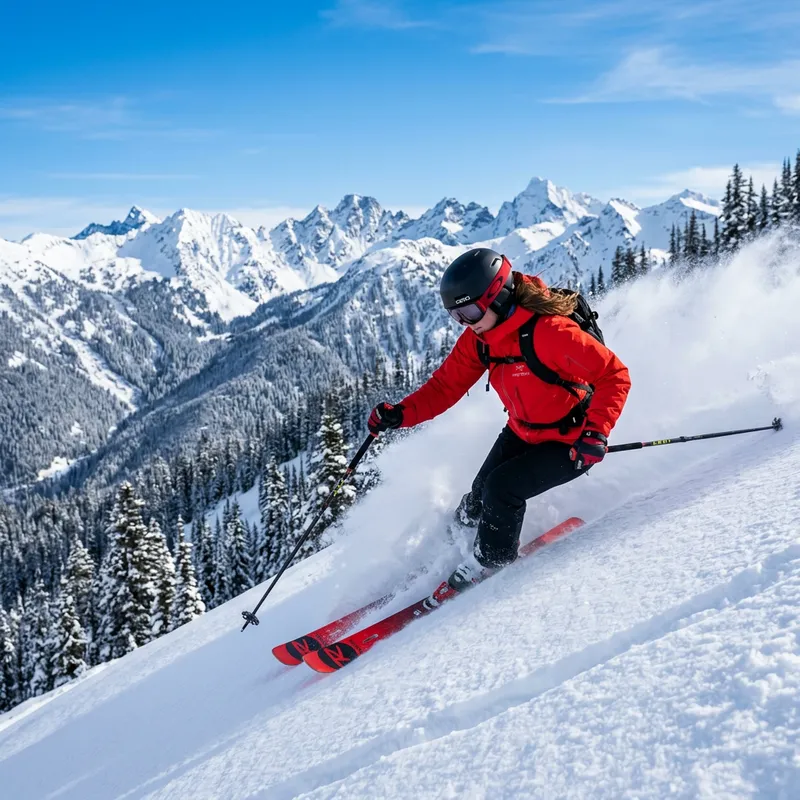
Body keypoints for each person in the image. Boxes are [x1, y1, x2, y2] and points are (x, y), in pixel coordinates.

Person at [367, 247, 631, 590]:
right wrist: (400, 414)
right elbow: (445, 387)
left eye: (470, 312)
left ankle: (490, 560)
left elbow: (614, 375)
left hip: (571, 440)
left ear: (499, 296)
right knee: (478, 496)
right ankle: (450, 544)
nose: (466, 323)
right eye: (456, 316)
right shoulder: (481, 340)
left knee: (501, 489)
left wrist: (596, 433)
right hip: (522, 431)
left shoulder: (550, 332)